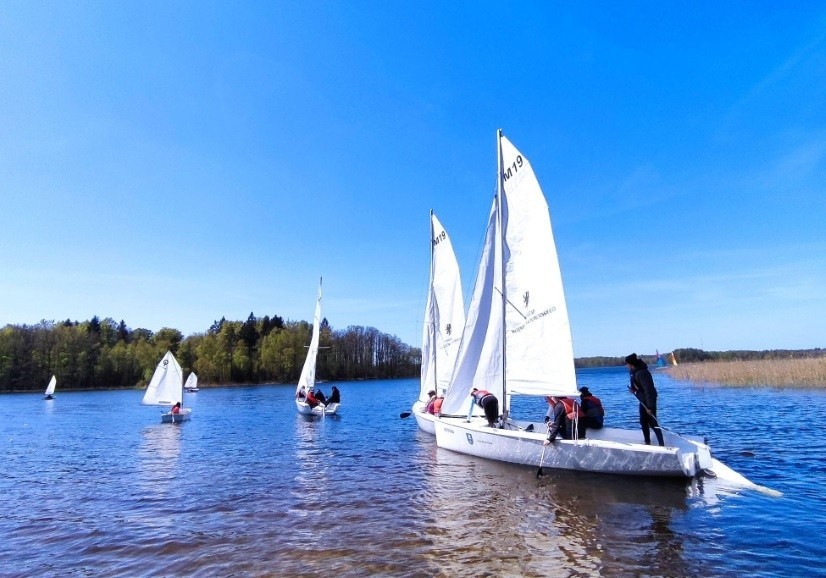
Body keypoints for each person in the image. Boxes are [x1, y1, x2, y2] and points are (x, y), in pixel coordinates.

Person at [626, 353, 664, 446]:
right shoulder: (634, 372)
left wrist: (650, 407)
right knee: (643, 421)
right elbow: (639, 386)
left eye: (627, 364)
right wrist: (633, 390)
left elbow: (649, 390)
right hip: (642, 399)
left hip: (649, 399)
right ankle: (647, 442)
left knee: (652, 422)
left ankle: (661, 443)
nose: (626, 366)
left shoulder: (642, 373)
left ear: (631, 364)